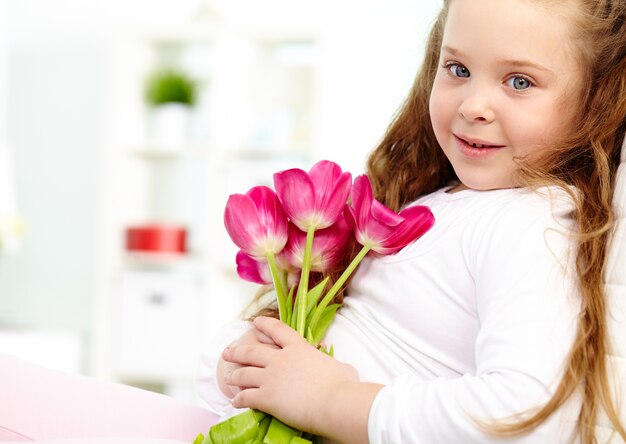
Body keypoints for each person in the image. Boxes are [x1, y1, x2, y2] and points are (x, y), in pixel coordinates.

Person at [195, 0, 626, 442]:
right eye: (458, 69)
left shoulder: (533, 222)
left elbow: (522, 413)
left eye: (520, 81)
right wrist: (244, 364)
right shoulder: (441, 200)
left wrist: (329, 399)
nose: (473, 105)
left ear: (595, 102)